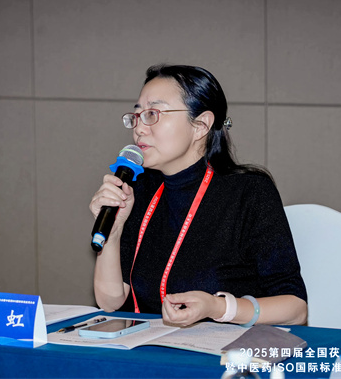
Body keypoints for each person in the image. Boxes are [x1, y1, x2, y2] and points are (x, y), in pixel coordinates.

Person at [89, 64, 307, 327]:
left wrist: (219, 307)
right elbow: (110, 302)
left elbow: (295, 309)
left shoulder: (249, 192)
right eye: (137, 116)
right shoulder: (140, 189)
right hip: (148, 345)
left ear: (201, 125)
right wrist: (113, 233)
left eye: (152, 114)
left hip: (226, 348)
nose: (139, 129)